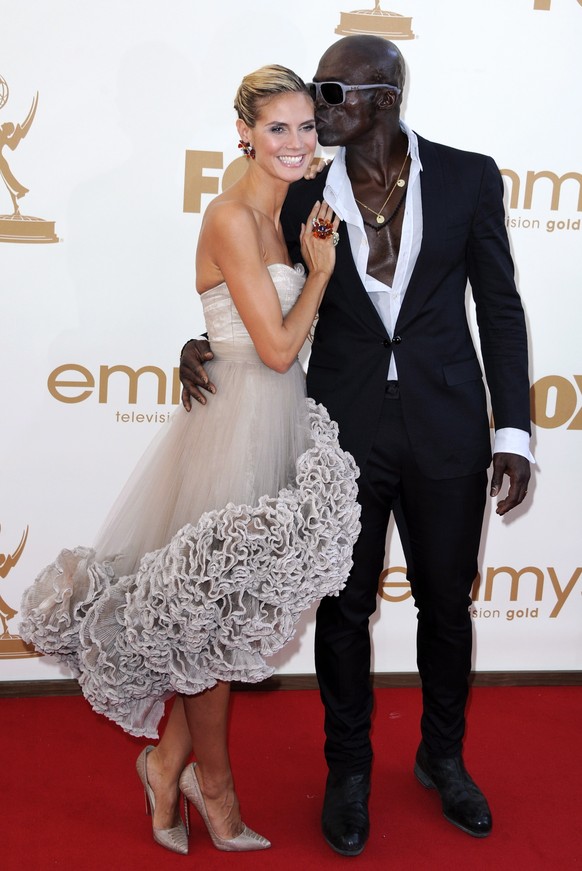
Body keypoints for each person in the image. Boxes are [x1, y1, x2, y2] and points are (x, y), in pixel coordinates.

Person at [179, 36, 532, 856]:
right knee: (343, 610)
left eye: (330, 94)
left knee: (448, 606)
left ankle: (443, 757)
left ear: (383, 97)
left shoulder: (467, 176)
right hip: (340, 429)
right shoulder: (299, 192)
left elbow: (501, 308)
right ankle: (348, 771)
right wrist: (201, 342)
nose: (314, 111)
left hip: (447, 427)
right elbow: (254, 283)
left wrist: (512, 429)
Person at [19, 65, 361, 856]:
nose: (297, 142)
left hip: (278, 424)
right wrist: (317, 277)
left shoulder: (296, 210)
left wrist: (303, 273)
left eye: (306, 127)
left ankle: (166, 763)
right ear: (242, 131)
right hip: (236, 424)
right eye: (278, 127)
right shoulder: (233, 215)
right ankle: (214, 787)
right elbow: (275, 348)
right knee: (207, 623)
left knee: (223, 621)